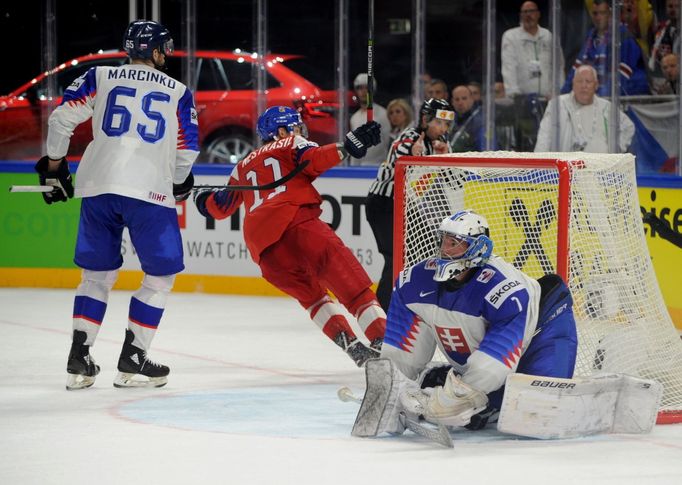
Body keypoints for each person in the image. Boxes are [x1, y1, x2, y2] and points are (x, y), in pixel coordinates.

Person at [35, 20, 199, 390]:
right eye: (164, 50)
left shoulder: (101, 75)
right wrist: (178, 182)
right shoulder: (178, 90)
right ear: (155, 52)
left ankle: (79, 361)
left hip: (98, 187)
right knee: (159, 277)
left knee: (95, 277)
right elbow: (187, 150)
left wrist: (56, 166)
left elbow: (61, 120)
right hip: (149, 193)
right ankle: (134, 358)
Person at [194, 107, 386, 367]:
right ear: (281, 131)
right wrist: (349, 145)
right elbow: (315, 158)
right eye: (295, 127)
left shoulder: (241, 166)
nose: (299, 131)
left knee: (314, 299)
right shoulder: (290, 142)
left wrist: (200, 198)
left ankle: (353, 348)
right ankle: (383, 345)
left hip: (265, 253)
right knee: (355, 291)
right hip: (300, 226)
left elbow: (218, 208)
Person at [360, 210, 578, 434]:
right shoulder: (413, 281)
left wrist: (454, 400)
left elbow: (494, 363)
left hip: (543, 331)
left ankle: (485, 396)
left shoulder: (505, 290)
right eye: (444, 241)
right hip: (491, 353)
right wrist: (391, 390)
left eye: (455, 243)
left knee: (536, 415)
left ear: (478, 247)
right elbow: (401, 352)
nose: (445, 250)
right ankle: (467, 389)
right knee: (479, 406)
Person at [366, 98, 453, 312]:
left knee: (425, 249)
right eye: (439, 122)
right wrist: (412, 157)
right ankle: (383, 314)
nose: (443, 128)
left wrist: (446, 159)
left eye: (447, 124)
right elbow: (397, 165)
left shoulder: (440, 144)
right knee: (395, 256)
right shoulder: (410, 137)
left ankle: (412, 301)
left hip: (404, 207)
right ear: (425, 119)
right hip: (384, 204)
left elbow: (454, 181)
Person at [501, 1, 563, 151]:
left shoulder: (548, 36)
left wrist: (558, 92)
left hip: (548, 100)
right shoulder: (511, 36)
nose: (528, 15)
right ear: (520, 15)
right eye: (524, 12)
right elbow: (509, 66)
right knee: (526, 142)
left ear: (538, 14)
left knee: (549, 140)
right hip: (524, 102)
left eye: (531, 11)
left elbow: (558, 66)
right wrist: (514, 95)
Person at [535, 65, 635, 152]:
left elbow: (628, 127)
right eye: (579, 81)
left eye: (588, 81)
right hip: (564, 168)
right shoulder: (557, 105)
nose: (584, 86)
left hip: (598, 169)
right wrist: (539, 165)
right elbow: (544, 137)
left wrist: (613, 152)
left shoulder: (606, 107)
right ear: (573, 84)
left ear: (596, 85)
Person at [562, 0, 649, 96]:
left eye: (602, 13)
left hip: (627, 101)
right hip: (600, 99)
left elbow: (620, 78)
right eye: (595, 13)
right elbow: (576, 71)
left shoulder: (624, 37)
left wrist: (598, 99)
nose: (598, 17)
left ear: (611, 14)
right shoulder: (591, 38)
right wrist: (561, 96)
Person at [349, 73, 391, 166]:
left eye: (367, 87)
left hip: (379, 166)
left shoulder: (383, 114)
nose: (364, 91)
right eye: (360, 88)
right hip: (359, 169)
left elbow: (388, 143)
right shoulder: (354, 118)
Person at [449, 85, 490, 152]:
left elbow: (485, 151)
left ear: (472, 99)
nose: (460, 103)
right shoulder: (450, 119)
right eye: (457, 99)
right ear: (452, 102)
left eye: (464, 98)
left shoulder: (481, 121)